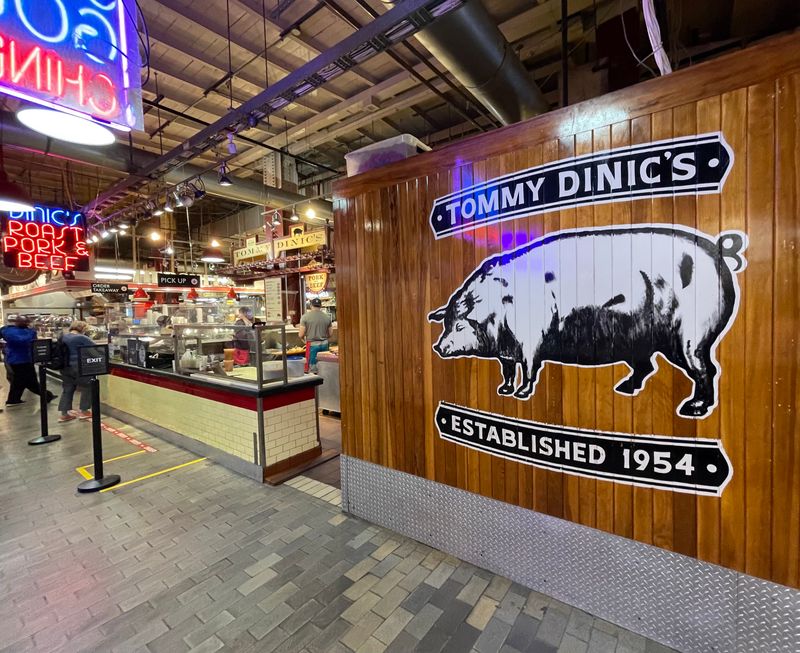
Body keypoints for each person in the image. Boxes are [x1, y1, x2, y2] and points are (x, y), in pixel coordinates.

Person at [0, 316, 54, 407]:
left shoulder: (6, 330)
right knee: (31, 381)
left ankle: (13, 400)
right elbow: (29, 342)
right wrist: (32, 332)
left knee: (18, 381)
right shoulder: (28, 333)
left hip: (12, 359)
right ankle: (47, 395)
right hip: (23, 359)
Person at [58, 321, 95, 422]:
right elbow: (95, 349)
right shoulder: (81, 338)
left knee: (67, 389)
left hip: (65, 367)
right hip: (79, 366)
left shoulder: (63, 337)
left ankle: (64, 415)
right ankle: (84, 411)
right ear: (82, 329)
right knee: (88, 386)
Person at [298, 298, 332, 373]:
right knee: (324, 367)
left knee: (312, 369)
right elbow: (330, 334)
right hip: (325, 345)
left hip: (312, 345)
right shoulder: (327, 317)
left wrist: (303, 339)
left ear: (311, 305)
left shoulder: (305, 317)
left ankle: (315, 384)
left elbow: (300, 334)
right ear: (321, 306)